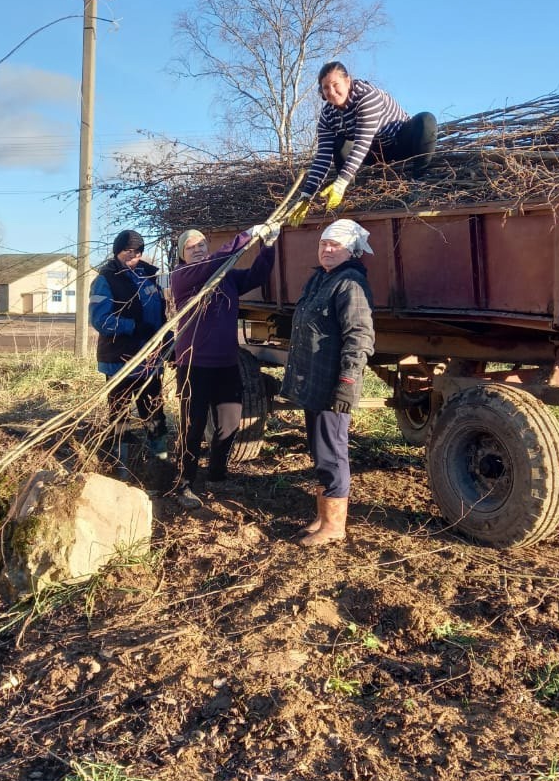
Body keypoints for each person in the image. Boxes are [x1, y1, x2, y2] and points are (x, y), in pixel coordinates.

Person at [168, 222, 280, 509]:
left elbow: (258, 275)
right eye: (190, 247)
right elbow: (218, 260)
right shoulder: (184, 276)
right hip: (194, 365)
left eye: (202, 244)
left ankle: (217, 475)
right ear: (182, 254)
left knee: (230, 423)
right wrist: (248, 235)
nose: (198, 249)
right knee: (193, 427)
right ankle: (185, 483)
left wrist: (268, 246)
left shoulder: (226, 276)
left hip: (227, 363)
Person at [280, 218, 376, 546]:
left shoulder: (349, 284)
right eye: (324, 244)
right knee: (321, 451)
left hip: (333, 386)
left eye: (335, 244)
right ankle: (323, 516)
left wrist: (347, 383)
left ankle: (335, 526)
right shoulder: (320, 279)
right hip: (315, 385)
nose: (328, 249)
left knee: (333, 453)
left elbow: (359, 337)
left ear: (351, 250)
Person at [296, 61, 437, 214]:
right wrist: (306, 195)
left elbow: (362, 141)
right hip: (372, 155)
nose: (331, 91)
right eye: (326, 88)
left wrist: (341, 180)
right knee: (338, 142)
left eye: (335, 84)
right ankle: (349, 194)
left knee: (426, 119)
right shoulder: (327, 115)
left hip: (399, 143)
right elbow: (322, 156)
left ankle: (419, 181)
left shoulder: (367, 96)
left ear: (348, 81)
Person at [90, 229, 169, 479]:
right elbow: (100, 320)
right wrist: (133, 326)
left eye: (138, 252)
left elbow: (161, 313)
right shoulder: (105, 279)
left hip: (150, 360)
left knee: (154, 413)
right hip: (120, 361)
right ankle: (121, 467)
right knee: (120, 415)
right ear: (118, 252)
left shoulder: (150, 276)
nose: (133, 257)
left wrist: (165, 336)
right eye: (128, 251)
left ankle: (160, 464)